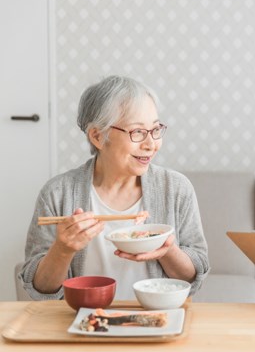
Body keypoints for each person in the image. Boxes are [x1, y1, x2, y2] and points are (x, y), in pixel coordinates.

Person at [19, 75, 209, 300]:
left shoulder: (176, 188)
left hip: (156, 321)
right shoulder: (57, 193)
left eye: (156, 129)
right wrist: (63, 249)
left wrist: (167, 250)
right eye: (137, 132)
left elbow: (194, 275)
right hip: (83, 323)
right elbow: (38, 288)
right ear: (98, 136)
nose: (151, 144)